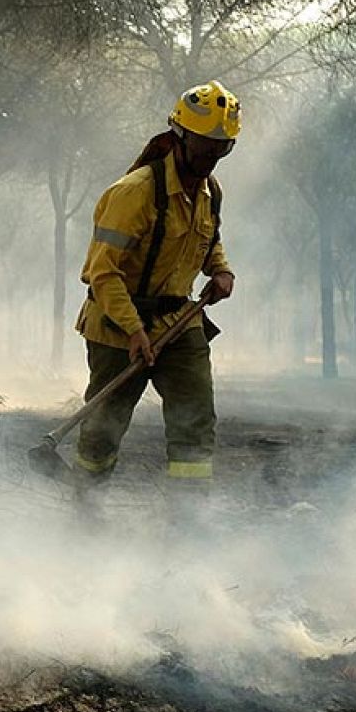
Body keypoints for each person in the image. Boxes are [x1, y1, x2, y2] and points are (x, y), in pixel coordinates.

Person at [74, 81, 240, 496]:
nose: (211, 158)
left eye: (222, 149)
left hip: (179, 320)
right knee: (104, 426)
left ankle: (188, 516)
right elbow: (103, 273)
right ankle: (84, 502)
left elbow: (207, 240)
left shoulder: (209, 192)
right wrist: (134, 330)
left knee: (195, 416)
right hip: (116, 322)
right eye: (205, 147)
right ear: (179, 137)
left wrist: (220, 270)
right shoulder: (134, 194)